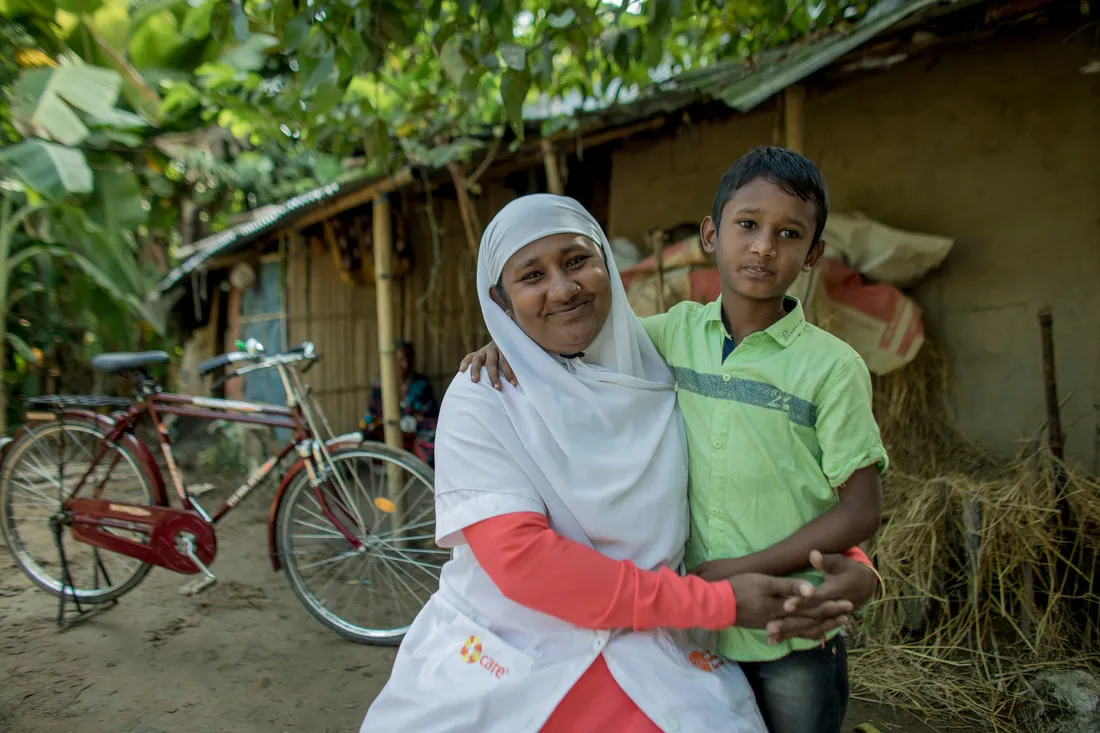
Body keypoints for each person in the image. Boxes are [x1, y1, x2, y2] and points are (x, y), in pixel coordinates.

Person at [361, 194, 870, 733]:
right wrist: (711, 602)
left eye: (577, 260)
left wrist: (850, 560)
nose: (563, 288)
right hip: (512, 649)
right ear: (500, 302)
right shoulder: (485, 394)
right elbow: (525, 563)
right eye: (531, 276)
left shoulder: (663, 367)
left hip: (650, 645)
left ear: (607, 262)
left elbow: (753, 464)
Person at [359, 340, 438, 465]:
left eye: (403, 360)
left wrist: (411, 423)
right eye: (395, 361)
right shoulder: (379, 387)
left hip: (414, 432)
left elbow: (432, 415)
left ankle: (419, 465)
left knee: (434, 436)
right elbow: (371, 415)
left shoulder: (421, 384)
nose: (400, 365)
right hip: (386, 433)